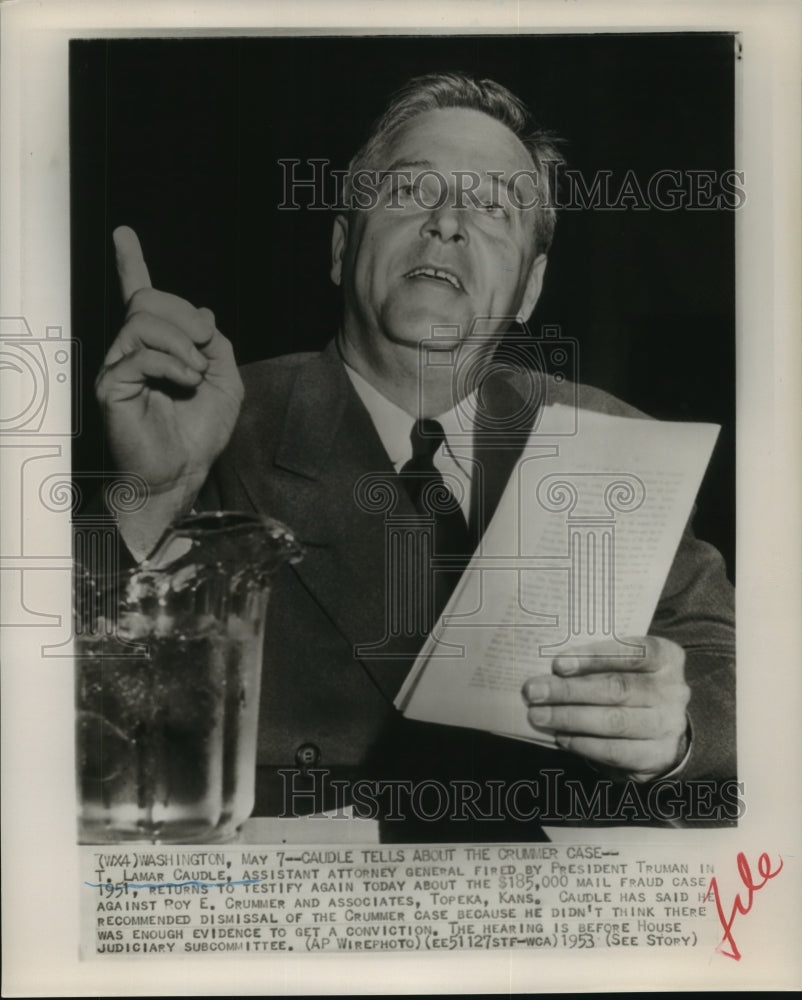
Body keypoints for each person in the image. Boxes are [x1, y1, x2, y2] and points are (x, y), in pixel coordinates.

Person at [95, 73, 736, 839]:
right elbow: (66, 712)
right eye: (410, 193)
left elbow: (723, 669)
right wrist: (151, 498)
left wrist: (678, 731)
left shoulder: (611, 439)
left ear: (529, 290)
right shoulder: (210, 420)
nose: (447, 224)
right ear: (341, 247)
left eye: (494, 208)